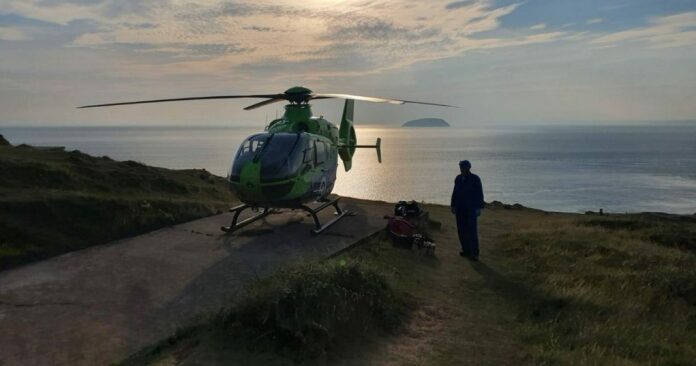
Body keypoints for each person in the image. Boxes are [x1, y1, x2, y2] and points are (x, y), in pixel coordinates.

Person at [450, 160, 484, 261]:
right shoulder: (458, 178)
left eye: (464, 167)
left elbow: (479, 193)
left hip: (471, 208)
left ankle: (474, 253)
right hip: (460, 208)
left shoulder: (475, 178)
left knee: (472, 231)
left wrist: (478, 207)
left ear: (469, 167)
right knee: (461, 230)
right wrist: (453, 205)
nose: (462, 169)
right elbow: (455, 192)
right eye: (461, 167)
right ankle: (466, 250)